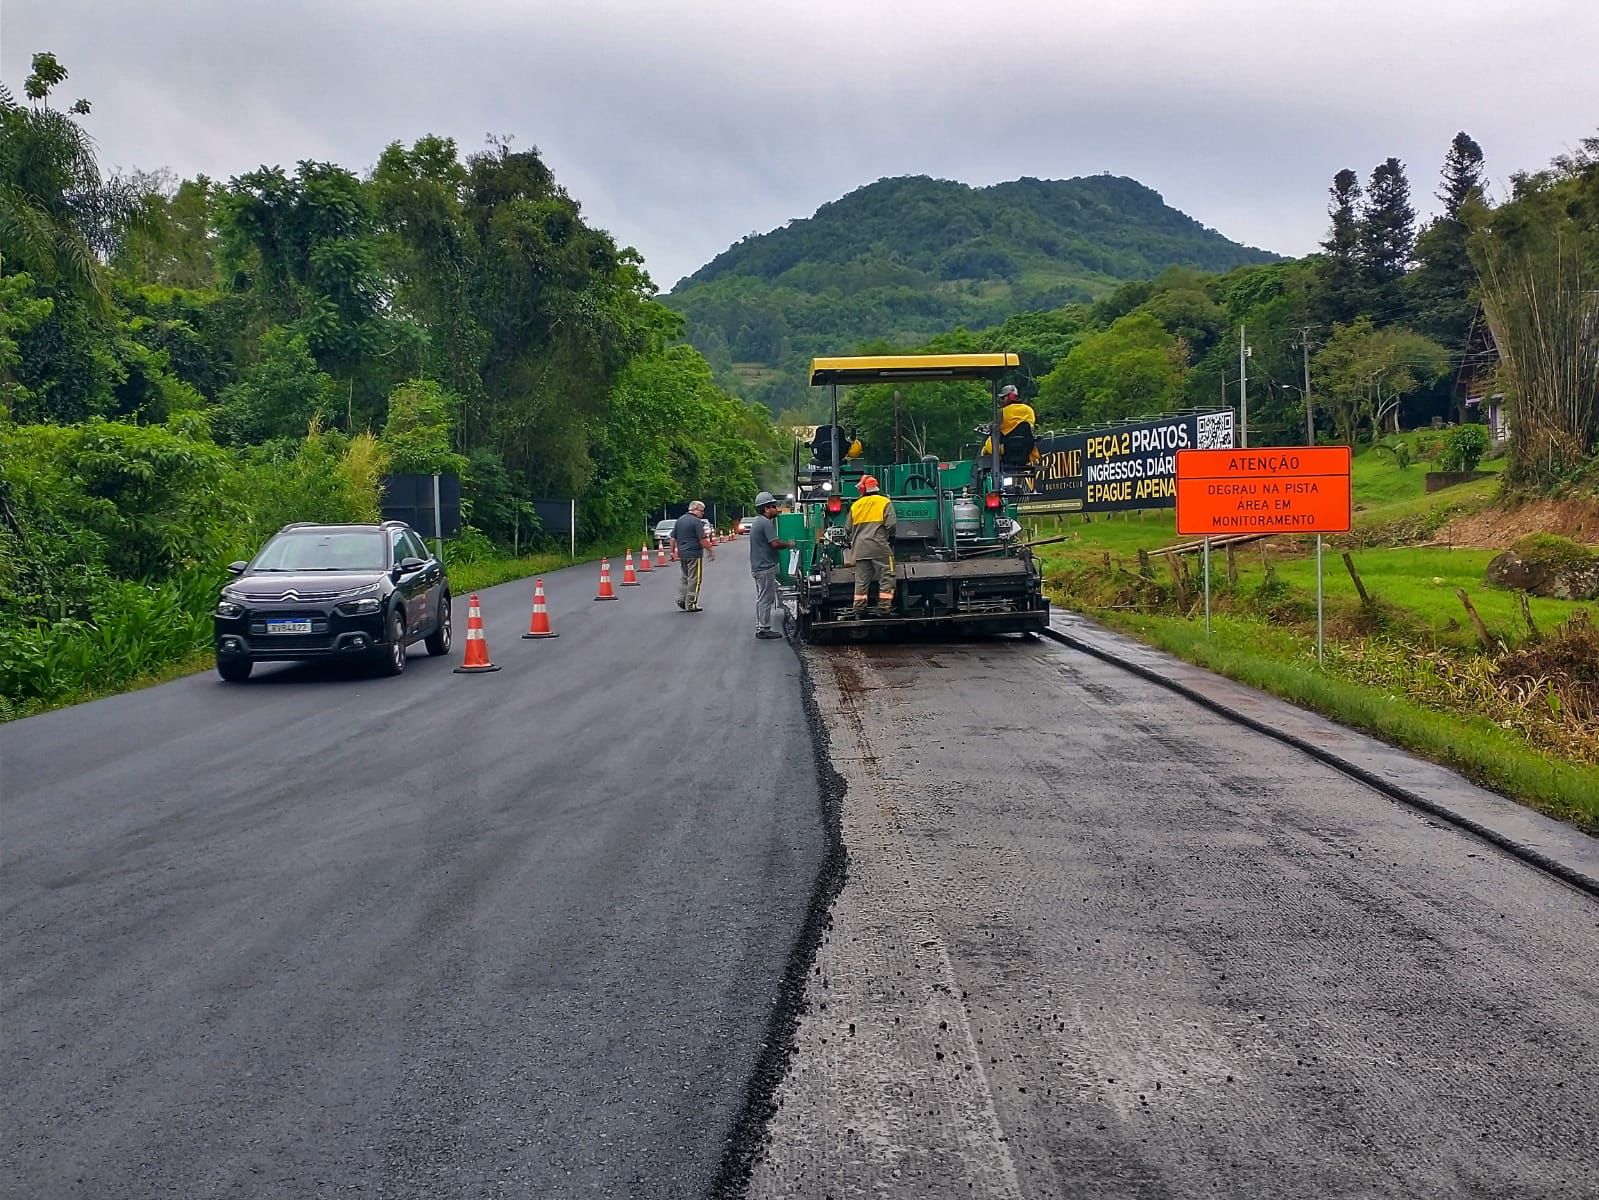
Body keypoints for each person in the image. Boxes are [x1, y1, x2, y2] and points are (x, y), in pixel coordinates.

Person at [845, 474, 896, 618]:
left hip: (859, 549)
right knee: (887, 573)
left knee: (861, 579)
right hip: (879, 546)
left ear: (862, 489)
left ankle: (859, 610)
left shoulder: (856, 505)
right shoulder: (884, 502)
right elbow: (891, 525)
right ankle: (884, 608)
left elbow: (848, 528)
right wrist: (890, 537)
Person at [748, 491, 794, 640]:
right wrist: (789, 544)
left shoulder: (758, 522)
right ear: (766, 508)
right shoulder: (765, 523)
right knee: (765, 599)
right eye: (774, 506)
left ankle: (761, 626)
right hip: (764, 567)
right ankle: (763, 629)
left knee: (762, 597)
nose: (777, 509)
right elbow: (774, 543)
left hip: (759, 567)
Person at [670, 500, 715, 612]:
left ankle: (681, 599)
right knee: (695, 579)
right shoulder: (696, 522)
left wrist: (672, 552)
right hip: (694, 554)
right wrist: (710, 551)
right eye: (701, 511)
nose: (702, 513)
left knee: (684, 578)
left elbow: (672, 538)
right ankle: (691, 603)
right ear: (695, 509)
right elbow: (702, 539)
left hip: (683, 553)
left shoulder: (680, 520)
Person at [982, 384, 1041, 464]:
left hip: (1008, 448)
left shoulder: (1002, 412)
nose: (1001, 400)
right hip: (1026, 448)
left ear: (1010, 397)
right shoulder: (1029, 409)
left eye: (1003, 397)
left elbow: (995, 428)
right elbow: (1030, 427)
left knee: (987, 446)